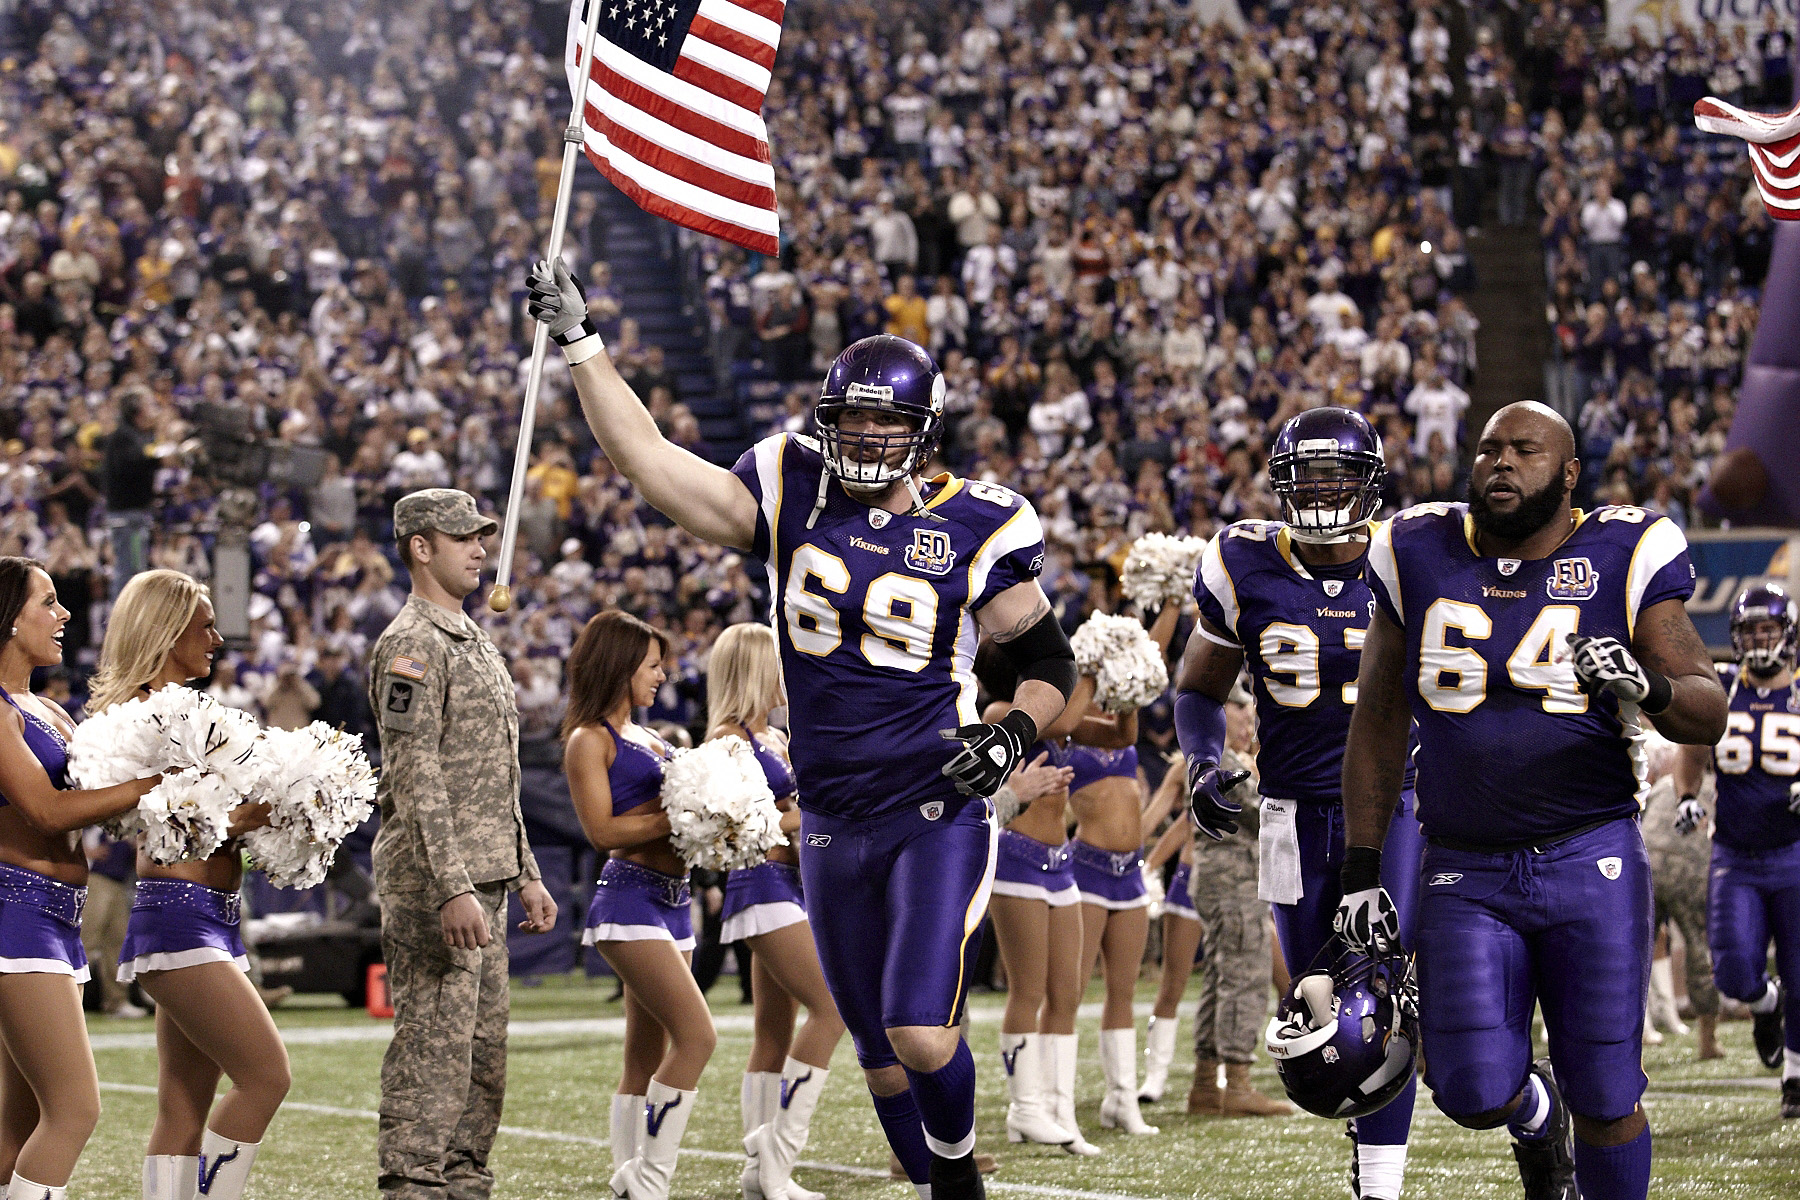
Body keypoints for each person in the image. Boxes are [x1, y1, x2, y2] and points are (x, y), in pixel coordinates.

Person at [532, 259, 1077, 1200]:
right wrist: (583, 349)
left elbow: (1049, 667)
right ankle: (940, 1180)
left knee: (919, 1029)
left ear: (923, 432)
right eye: (852, 421)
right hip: (827, 812)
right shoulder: (792, 483)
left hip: (932, 801)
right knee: (873, 1051)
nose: (866, 440)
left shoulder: (984, 523)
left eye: (887, 424)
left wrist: (1013, 737)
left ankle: (957, 1182)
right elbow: (654, 464)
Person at [1340, 402, 1727, 1200]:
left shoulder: (1623, 548)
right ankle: (1534, 1110)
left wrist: (1645, 685)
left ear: (1570, 472)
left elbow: (1706, 705)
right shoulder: (1417, 548)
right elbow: (1377, 720)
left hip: (1591, 857)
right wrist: (1361, 868)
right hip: (1463, 868)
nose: (1502, 464)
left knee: (1609, 1089)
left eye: (1524, 450)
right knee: (1471, 1089)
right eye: (1488, 450)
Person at [1177, 407, 1420, 1195]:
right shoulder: (1243, 560)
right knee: (1318, 1003)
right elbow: (1198, 691)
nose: (1319, 495)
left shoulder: (1408, 557)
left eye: (1336, 478)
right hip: (1286, 814)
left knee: (1377, 993)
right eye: (1304, 478)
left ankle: (1380, 1185)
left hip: (1393, 809)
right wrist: (1203, 764)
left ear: (1371, 485)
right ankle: (1372, 1152)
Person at [368, 490, 558, 1200]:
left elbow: (495, 775)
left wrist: (527, 870)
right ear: (421, 546)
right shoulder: (412, 642)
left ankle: (463, 1181)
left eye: (482, 536)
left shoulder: (470, 636)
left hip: (491, 874)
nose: (481, 549)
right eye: (463, 538)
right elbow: (414, 776)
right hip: (437, 880)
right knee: (435, 1050)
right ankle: (413, 1184)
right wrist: (451, 885)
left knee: (482, 1054)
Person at [88, 569, 287, 1200]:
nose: (216, 638)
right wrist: (264, 810)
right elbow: (170, 824)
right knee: (265, 1078)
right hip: (178, 911)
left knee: (182, 1107)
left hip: (208, 913)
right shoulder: (151, 717)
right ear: (166, 631)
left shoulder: (184, 710)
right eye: (203, 625)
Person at [0, 557, 163, 1200]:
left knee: (17, 1122)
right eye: (49, 601)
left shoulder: (49, 710)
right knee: (74, 1107)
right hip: (15, 912)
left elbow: (107, 798)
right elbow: (45, 810)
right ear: (11, 618)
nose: (64, 614)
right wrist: (150, 784)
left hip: (52, 918)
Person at [564, 609, 715, 1200]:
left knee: (642, 1057)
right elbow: (601, 830)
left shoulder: (650, 736)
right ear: (622, 665)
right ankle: (650, 1180)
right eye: (653, 665)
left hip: (672, 903)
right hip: (628, 901)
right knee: (698, 1038)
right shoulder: (589, 740)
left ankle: (628, 1179)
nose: (662, 675)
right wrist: (679, 816)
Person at [707, 623, 846, 1200]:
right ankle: (777, 1157)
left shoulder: (776, 739)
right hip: (761, 884)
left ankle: (761, 1173)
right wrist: (807, 812)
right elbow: (739, 822)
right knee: (832, 1010)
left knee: (772, 1031)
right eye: (780, 663)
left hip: (789, 883)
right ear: (757, 670)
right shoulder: (727, 739)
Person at [1672, 582, 1800, 1116]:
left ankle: (1795, 1075)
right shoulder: (1721, 685)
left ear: (1787, 632)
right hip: (1735, 855)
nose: (1758, 639)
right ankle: (1764, 1004)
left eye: (1767, 628)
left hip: (1794, 853)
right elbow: (1694, 745)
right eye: (1749, 630)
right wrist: (1685, 795)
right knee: (1734, 973)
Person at [1063, 601, 1178, 1144]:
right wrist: (1091, 662)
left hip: (1129, 873)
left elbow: (1139, 687)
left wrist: (1152, 625)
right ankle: (1054, 1102)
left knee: (1123, 993)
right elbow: (1099, 729)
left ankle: (1122, 1100)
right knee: (1070, 989)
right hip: (1084, 869)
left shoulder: (1120, 722)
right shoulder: (1071, 723)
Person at [974, 645, 1088, 1152]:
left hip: (1061, 863)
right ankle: (1025, 1108)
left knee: (1067, 994)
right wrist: (1086, 666)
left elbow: (1122, 733)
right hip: (1017, 859)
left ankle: (1061, 1113)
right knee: (1029, 991)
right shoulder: (1001, 715)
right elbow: (1071, 716)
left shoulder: (1047, 718)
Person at [1179, 683, 1291, 1117]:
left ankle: (1206, 1085)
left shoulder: (1207, 761)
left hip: (1221, 879)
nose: (1248, 723)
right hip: (1234, 880)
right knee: (1245, 975)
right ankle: (1238, 1083)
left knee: (1220, 980)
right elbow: (1262, 811)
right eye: (1242, 714)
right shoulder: (1223, 762)